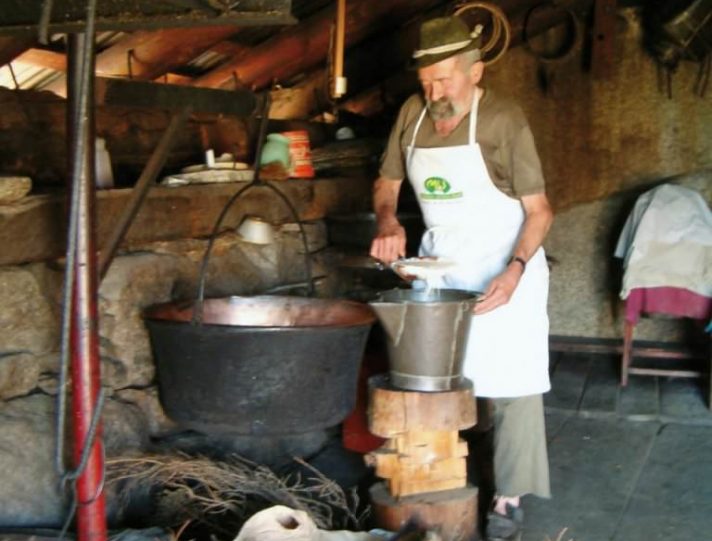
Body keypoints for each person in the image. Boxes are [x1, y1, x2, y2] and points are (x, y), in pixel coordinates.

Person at [369, 15, 554, 541]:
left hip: (505, 263)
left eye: (444, 80)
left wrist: (515, 271)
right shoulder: (412, 114)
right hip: (442, 263)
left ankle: (509, 496)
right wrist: (388, 222)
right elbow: (386, 183)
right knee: (431, 375)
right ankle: (433, 473)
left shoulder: (503, 119)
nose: (434, 93)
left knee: (514, 382)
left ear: (475, 72)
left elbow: (540, 210)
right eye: (425, 81)